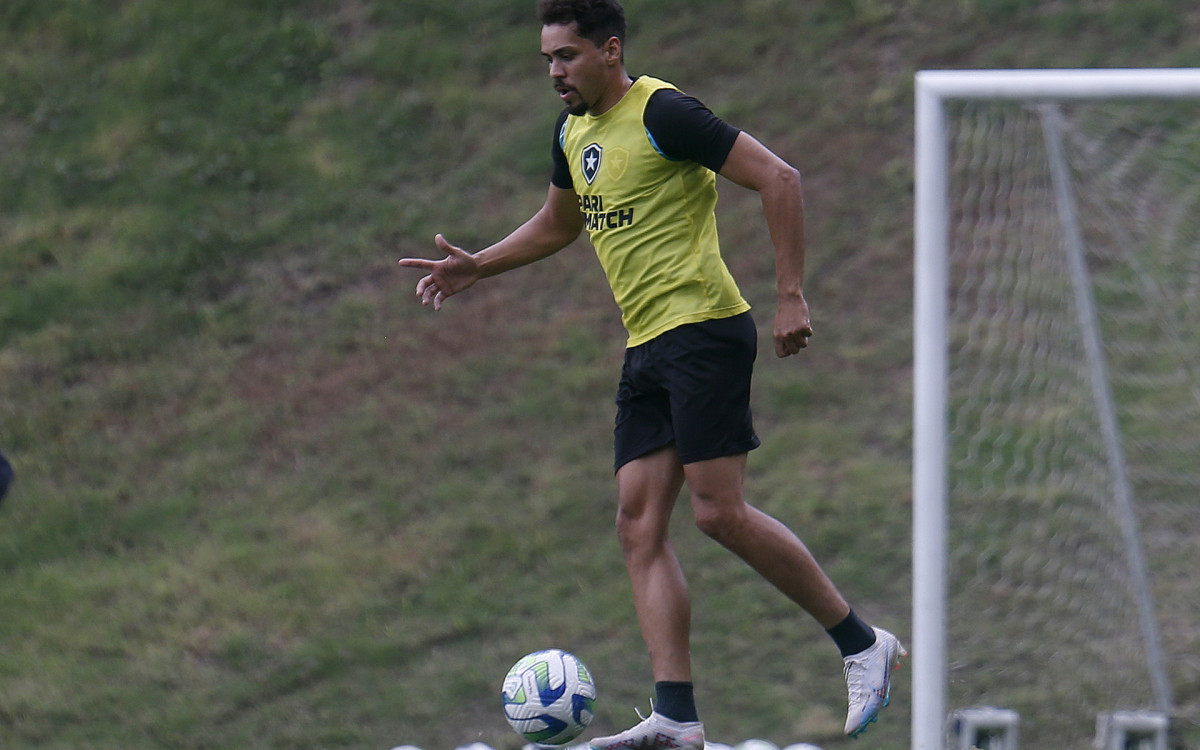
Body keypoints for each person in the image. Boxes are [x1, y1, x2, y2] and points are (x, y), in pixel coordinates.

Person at [399, 1, 904, 746]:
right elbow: (560, 223)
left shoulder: (664, 112)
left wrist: (790, 294)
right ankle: (676, 719)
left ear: (609, 51)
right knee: (638, 525)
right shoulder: (573, 134)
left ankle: (863, 643)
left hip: (703, 330)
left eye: (566, 56)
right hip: (647, 348)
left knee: (716, 513)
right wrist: (482, 264)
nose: (554, 72)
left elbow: (779, 177)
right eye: (546, 59)